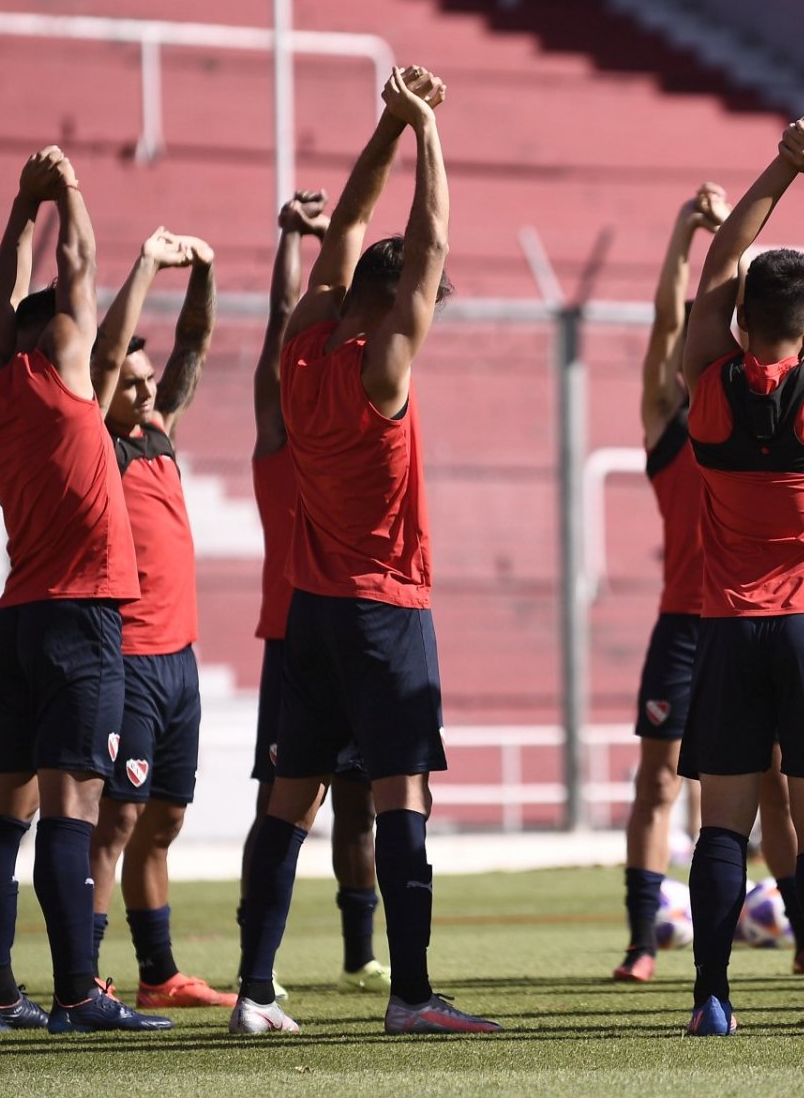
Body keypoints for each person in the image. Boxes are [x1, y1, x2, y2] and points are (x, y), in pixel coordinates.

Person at [230, 64, 497, 1036]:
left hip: (308, 608)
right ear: (393, 305)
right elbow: (426, 247)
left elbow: (346, 230)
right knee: (399, 793)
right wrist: (427, 130)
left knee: (288, 802)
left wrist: (385, 126)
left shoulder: (303, 343)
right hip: (385, 607)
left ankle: (254, 991)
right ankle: (411, 994)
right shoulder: (382, 369)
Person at [677, 111, 804, 1036]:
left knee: (723, 819)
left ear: (741, 319)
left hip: (725, 621)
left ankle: (712, 1000)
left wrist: (779, 166)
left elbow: (718, 265)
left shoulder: (708, 384)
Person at [0, 147, 171, 1034]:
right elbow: (74, 269)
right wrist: (68, 191)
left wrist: (22, 205)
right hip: (81, 617)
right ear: (61, 335)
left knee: (3, 816)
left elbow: (0, 304)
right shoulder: (63, 381)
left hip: (16, 620)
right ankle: (82, 992)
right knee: (74, 808)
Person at [242, 190, 390, 997]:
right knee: (284, 803)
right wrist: (292, 247)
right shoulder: (280, 444)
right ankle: (255, 961)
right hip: (294, 632)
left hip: (346, 621)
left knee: (360, 807)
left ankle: (359, 950)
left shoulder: (350, 432)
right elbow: (283, 335)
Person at [85, 225, 236, 1010]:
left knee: (166, 816)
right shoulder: (98, 449)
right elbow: (109, 353)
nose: (146, 393)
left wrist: (203, 270)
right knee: (118, 821)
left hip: (181, 661)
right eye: (133, 384)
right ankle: (88, 979)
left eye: (149, 385)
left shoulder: (159, 435)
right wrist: (143, 262)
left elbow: (197, 342)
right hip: (132, 659)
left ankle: (158, 975)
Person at [615, 181, 729, 983]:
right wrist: (685, 234)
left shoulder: (743, 409)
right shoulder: (669, 422)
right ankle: (642, 941)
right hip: (682, 630)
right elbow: (662, 325)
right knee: (658, 782)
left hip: (744, 624)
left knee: (776, 782)